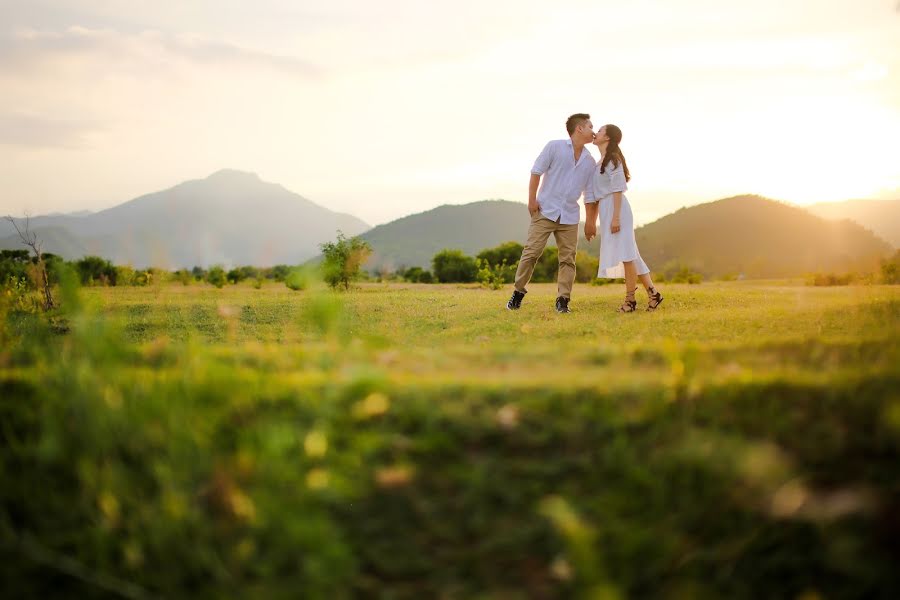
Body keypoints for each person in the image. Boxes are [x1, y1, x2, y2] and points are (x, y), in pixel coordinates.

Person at [506, 113, 597, 313]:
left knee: (567, 260)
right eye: (591, 126)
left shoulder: (590, 162)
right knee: (531, 253)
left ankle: (563, 300)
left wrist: (590, 222)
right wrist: (531, 200)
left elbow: (590, 195)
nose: (594, 131)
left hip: (570, 216)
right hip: (545, 210)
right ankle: (518, 292)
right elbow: (536, 171)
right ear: (579, 128)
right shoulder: (554, 147)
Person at [584, 124, 663, 312]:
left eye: (601, 130)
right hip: (606, 208)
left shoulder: (613, 159)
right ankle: (653, 293)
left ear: (608, 138)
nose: (597, 132)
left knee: (627, 255)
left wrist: (616, 218)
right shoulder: (599, 162)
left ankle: (630, 301)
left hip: (616, 208)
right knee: (632, 254)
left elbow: (618, 188)